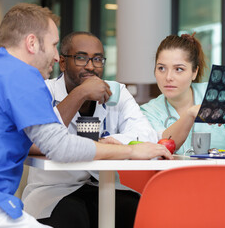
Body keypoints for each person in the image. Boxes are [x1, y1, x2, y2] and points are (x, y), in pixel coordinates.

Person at [0, 4, 173, 228]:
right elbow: (60, 146)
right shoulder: (23, 76)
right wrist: (129, 151)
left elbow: (27, 140)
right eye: (54, 44)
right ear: (32, 43)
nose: (56, 56)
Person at [22, 31, 162, 228]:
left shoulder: (117, 93)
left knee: (138, 212)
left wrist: (109, 144)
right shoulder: (45, 91)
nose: (90, 66)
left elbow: (146, 134)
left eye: (97, 59)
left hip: (105, 186)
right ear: (62, 63)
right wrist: (80, 93)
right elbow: (38, 138)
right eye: (81, 58)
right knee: (73, 217)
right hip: (54, 189)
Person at [140, 33, 225, 155]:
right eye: (161, 68)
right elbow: (161, 149)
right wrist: (190, 114)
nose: (168, 77)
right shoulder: (149, 111)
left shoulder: (217, 95)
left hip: (222, 174)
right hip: (176, 176)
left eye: (179, 69)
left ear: (194, 72)